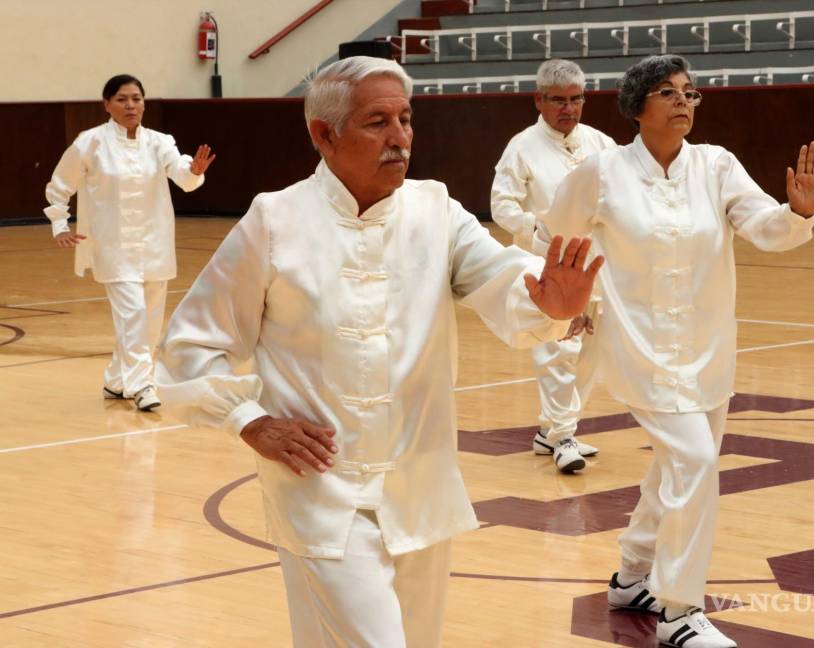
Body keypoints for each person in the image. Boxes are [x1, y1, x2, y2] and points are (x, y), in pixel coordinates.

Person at [155, 56, 602, 648]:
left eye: (406, 119)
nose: (400, 139)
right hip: (320, 493)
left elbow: (504, 280)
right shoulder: (274, 221)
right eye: (377, 123)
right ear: (324, 134)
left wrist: (551, 304)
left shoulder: (435, 210)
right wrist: (250, 422)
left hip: (419, 490)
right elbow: (189, 347)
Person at [537, 55, 814, 648]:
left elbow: (765, 229)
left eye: (691, 93)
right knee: (695, 463)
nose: (683, 102)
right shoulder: (600, 173)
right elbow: (551, 240)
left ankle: (631, 576)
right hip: (638, 347)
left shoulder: (717, 165)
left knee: (677, 465)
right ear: (637, 106)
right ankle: (679, 611)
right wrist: (565, 308)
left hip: (709, 347)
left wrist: (798, 210)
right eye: (668, 93)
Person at [43, 74, 215, 411]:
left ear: (144, 102)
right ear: (106, 104)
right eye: (122, 99)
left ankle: (116, 381)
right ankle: (141, 385)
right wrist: (59, 224)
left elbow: (184, 177)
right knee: (133, 315)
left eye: (136, 98)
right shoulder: (89, 142)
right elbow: (60, 185)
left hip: (155, 246)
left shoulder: (160, 142)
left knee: (148, 321)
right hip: (113, 247)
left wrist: (194, 170)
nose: (130, 105)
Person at [491, 59, 615, 473]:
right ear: (539, 100)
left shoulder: (601, 144)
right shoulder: (521, 146)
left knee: (590, 354)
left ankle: (555, 430)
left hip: (598, 265)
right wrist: (538, 234)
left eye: (576, 99)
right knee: (559, 352)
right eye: (558, 100)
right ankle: (563, 437)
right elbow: (502, 205)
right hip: (548, 268)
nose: (569, 108)